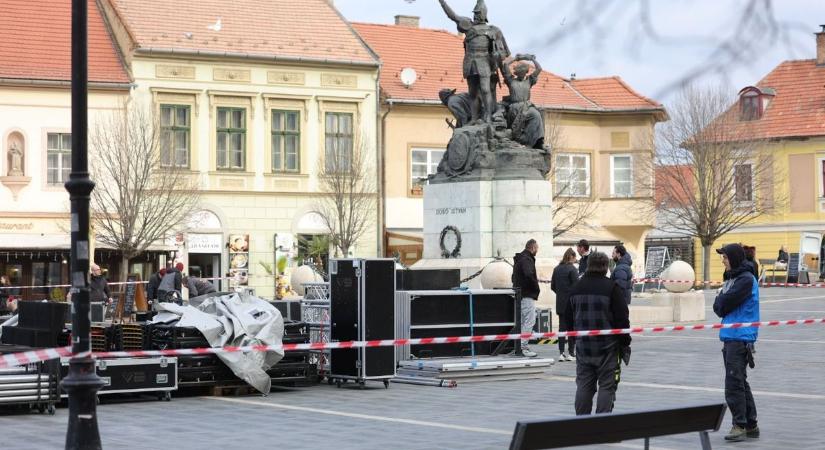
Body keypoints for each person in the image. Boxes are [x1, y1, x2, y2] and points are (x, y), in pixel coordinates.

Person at [566, 252, 630, 415]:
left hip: (584, 346)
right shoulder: (611, 288)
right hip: (607, 348)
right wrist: (625, 342)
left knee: (584, 386)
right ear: (605, 267)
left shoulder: (576, 288)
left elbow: (567, 317)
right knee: (607, 386)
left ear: (589, 266)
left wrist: (574, 339)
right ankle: (601, 425)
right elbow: (622, 319)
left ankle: (581, 423)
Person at [713, 244, 760, 442]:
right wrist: (720, 299)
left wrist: (720, 297)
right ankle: (751, 424)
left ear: (733, 258)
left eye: (724, 257)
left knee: (733, 383)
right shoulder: (735, 279)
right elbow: (721, 305)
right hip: (734, 335)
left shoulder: (745, 280)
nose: (722, 260)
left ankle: (739, 425)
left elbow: (721, 306)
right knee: (740, 380)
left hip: (739, 336)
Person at [439, 0, 510, 123]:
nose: (476, 15)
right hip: (470, 62)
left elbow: (504, 52)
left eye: (478, 13)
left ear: (484, 14)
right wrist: (442, 2)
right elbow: (452, 16)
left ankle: (487, 115)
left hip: (485, 62)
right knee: (472, 92)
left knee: (485, 89)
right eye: (475, 13)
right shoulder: (468, 26)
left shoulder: (494, 30)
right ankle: (474, 117)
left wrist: (497, 55)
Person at [512, 239, 540, 358]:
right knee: (530, 321)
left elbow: (514, 277)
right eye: (537, 248)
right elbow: (529, 275)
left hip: (521, 294)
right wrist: (536, 288)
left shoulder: (520, 259)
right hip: (527, 294)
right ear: (532, 248)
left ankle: (519, 347)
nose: (537, 251)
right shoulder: (527, 259)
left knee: (523, 322)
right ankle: (523, 347)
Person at [551, 248, 578, 361]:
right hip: (571, 304)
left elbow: (552, 286)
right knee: (572, 328)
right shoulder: (572, 269)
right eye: (575, 257)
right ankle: (571, 353)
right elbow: (577, 286)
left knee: (562, 328)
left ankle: (561, 353)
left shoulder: (556, 269)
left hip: (561, 303)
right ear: (571, 257)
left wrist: (561, 294)